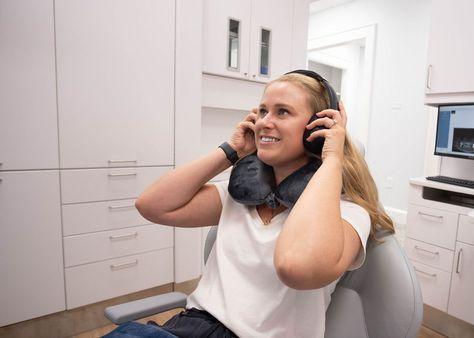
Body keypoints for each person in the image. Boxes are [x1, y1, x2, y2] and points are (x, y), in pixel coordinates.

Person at [104, 71, 395, 338]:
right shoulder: (239, 194)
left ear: (316, 129)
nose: (264, 122)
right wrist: (232, 151)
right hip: (190, 327)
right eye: (263, 111)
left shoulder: (348, 213)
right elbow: (151, 205)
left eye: (283, 112)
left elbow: (296, 267)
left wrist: (332, 158)